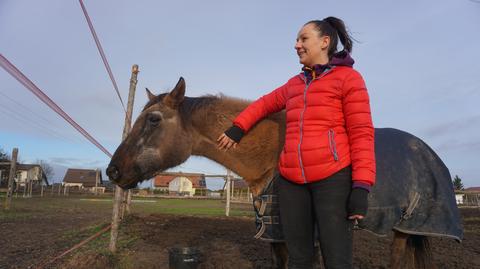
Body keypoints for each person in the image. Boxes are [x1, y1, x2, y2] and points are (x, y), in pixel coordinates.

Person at [217, 17, 375, 269]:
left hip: (332, 178)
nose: (296, 45)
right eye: (297, 40)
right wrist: (238, 128)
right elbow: (264, 104)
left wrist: (361, 186)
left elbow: (362, 132)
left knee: (337, 261)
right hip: (291, 182)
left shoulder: (348, 79)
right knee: (299, 259)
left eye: (303, 39)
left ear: (325, 42)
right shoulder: (294, 84)